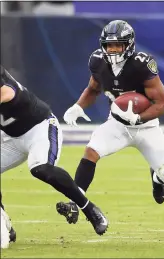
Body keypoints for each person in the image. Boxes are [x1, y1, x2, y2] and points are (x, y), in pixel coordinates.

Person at [56, 20, 164, 224]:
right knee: (91, 150)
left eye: (117, 45)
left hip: (147, 127)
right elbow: (93, 89)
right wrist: (78, 106)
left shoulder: (141, 63)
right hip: (118, 124)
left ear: (128, 45)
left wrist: (139, 117)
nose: (112, 50)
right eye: (108, 45)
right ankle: (75, 203)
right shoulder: (97, 60)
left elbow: (163, 104)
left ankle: (157, 178)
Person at [0, 65, 108, 248]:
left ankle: (90, 209)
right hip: (11, 138)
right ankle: (5, 224)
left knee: (41, 168)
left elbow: (7, 93)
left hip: (39, 128)